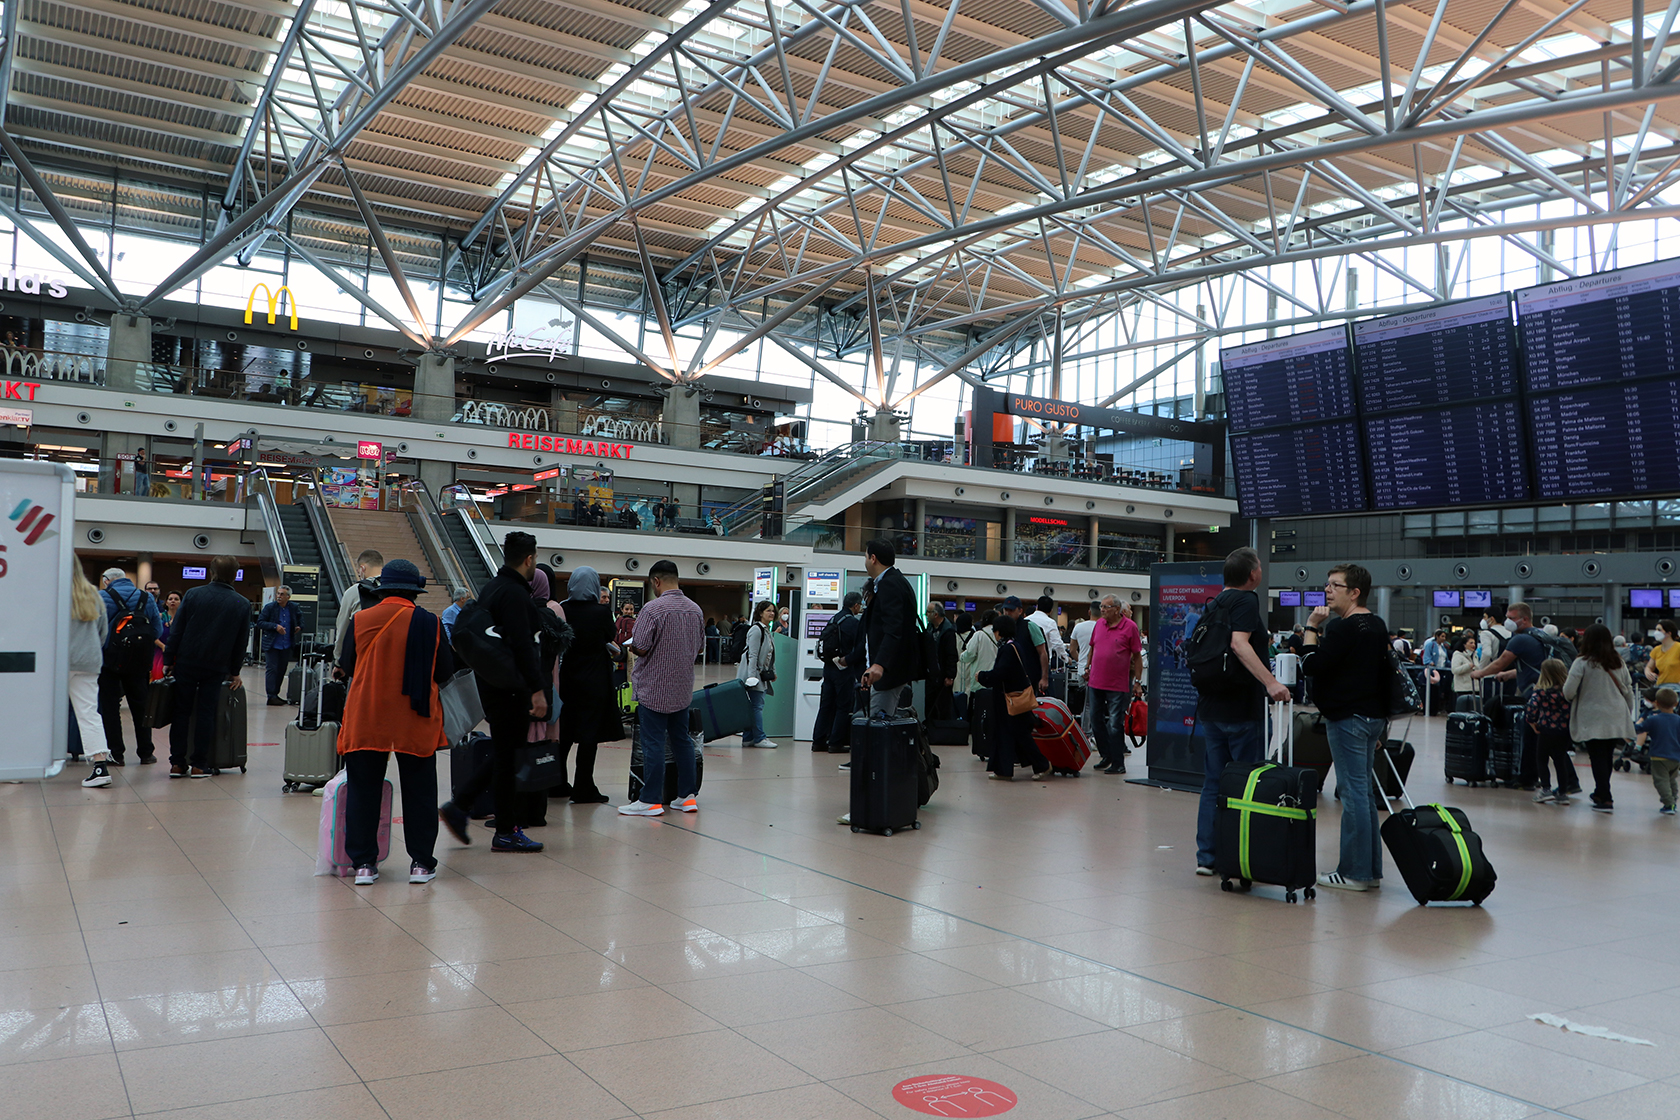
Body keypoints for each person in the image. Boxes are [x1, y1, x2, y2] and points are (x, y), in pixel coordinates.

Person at [335, 560, 454, 885]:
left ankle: (364, 865)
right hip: (414, 718)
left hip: (367, 715)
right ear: (414, 591)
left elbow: (348, 664)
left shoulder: (361, 619)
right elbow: (445, 671)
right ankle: (421, 864)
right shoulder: (430, 623)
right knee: (419, 791)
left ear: (383, 589)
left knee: (363, 790)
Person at [439, 532, 548, 853]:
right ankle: (505, 830)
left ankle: (460, 805)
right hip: (510, 688)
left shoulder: (491, 588)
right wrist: (536, 689)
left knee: (505, 752)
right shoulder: (515, 594)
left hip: (490, 683)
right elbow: (524, 645)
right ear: (529, 559)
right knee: (508, 759)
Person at [1192, 547, 1290, 878]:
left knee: (1213, 782)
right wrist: (1271, 682)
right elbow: (1239, 643)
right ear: (1252, 575)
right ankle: (1239, 854)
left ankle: (1206, 856)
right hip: (1242, 709)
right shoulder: (1246, 600)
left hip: (1211, 707)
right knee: (1247, 783)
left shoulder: (1215, 603)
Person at [1299, 562, 1391, 892]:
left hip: (1348, 719)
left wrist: (1312, 627)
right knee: (1362, 793)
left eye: (1335, 585)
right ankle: (1369, 871)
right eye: (1327, 584)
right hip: (1371, 718)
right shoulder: (1377, 625)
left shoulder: (1342, 628)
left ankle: (1354, 872)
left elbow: (1312, 665)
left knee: (1353, 794)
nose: (1327, 590)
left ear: (1354, 592)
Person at [619, 559, 705, 816]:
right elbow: (700, 647)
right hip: (682, 689)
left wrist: (633, 647)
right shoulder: (695, 610)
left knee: (653, 743)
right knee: (682, 740)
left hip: (654, 688)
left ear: (656, 581)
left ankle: (650, 799)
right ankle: (687, 796)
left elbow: (641, 646)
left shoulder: (652, 609)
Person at [162, 556, 251, 777]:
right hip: (216, 666)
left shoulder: (193, 594)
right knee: (206, 713)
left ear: (212, 572)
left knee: (181, 712)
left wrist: (168, 660)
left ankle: (177, 763)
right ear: (234, 575)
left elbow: (177, 630)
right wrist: (235, 671)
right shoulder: (241, 603)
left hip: (187, 662)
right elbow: (241, 642)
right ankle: (199, 764)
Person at [1471, 602, 1548, 786]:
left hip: (1533, 693)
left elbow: (1501, 662)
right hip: (1546, 690)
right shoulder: (1540, 636)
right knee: (1544, 738)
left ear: (1525, 619)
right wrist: (1508, 675)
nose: (1508, 622)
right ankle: (1568, 780)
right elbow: (1532, 667)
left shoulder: (1520, 639)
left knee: (1530, 737)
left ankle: (1528, 779)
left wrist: (1480, 673)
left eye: (1512, 618)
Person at [556, 567, 615, 803]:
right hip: (594, 679)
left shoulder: (563, 609)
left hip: (568, 677)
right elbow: (610, 635)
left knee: (565, 732)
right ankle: (584, 786)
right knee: (589, 735)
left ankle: (556, 781)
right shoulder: (601, 612)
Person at [1564, 624, 1636, 814]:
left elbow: (1568, 691)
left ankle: (1605, 796)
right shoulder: (1618, 661)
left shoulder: (1581, 662)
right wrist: (1627, 712)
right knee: (1606, 756)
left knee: (1597, 757)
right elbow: (1628, 689)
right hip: (1616, 713)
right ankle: (1600, 792)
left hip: (1592, 715)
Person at [97, 567, 162, 766]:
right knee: (141, 706)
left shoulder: (101, 597)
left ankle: (116, 753)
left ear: (107, 580)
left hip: (110, 661)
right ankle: (146, 753)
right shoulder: (146, 597)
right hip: (139, 661)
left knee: (110, 707)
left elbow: (96, 630)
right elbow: (157, 630)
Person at [977, 614, 1050, 781]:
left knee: (1016, 735)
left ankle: (1041, 765)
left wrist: (982, 676)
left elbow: (1001, 673)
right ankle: (1004, 770)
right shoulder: (1015, 646)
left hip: (1010, 699)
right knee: (1011, 734)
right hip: (1014, 697)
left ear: (999, 631)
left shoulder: (1007, 649)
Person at [859, 538, 918, 717]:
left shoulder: (889, 584)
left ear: (873, 559)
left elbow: (893, 628)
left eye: (866, 557)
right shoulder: (897, 581)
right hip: (894, 670)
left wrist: (879, 664)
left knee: (879, 722)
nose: (865, 562)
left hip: (889, 673)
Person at [69, 559, 114, 789]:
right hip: (88, 660)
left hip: (56, 661)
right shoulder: (94, 595)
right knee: (89, 714)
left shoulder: (51, 593)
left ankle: (22, 765)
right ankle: (100, 767)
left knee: (33, 711)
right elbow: (103, 633)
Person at [1087, 595, 1143, 775]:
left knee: (1115, 724)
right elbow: (1093, 647)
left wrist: (1138, 681)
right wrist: (1087, 666)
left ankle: (1118, 763)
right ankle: (1106, 755)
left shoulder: (1130, 627)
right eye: (1101, 607)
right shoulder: (1099, 625)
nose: (1102, 610)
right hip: (1096, 681)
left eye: (1106, 607)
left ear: (1117, 609)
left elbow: (1137, 656)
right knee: (1095, 720)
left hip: (1117, 684)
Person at [812, 591, 863, 754]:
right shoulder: (853, 623)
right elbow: (860, 648)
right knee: (843, 706)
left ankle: (818, 741)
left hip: (828, 668)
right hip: (844, 669)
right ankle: (835, 743)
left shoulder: (833, 619)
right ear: (856, 605)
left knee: (825, 706)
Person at [1525, 659, 1575, 806]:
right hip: (1564, 731)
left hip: (1546, 729)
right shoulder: (1567, 692)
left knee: (1542, 759)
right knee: (1560, 761)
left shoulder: (1541, 691)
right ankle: (1563, 793)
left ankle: (1546, 789)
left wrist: (1532, 723)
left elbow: (1531, 708)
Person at [737, 600, 780, 748]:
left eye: (773, 611)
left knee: (752, 707)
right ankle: (760, 738)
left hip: (760, 674)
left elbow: (769, 654)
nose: (771, 613)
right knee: (757, 706)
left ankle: (748, 738)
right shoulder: (756, 630)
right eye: (768, 610)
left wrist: (772, 671)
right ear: (760, 613)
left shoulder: (766, 630)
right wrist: (751, 677)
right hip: (754, 675)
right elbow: (753, 655)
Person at [1636, 688, 1680, 816]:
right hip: (1676, 757)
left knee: (1661, 780)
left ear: (1657, 703)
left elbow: (1639, 729)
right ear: (1676, 703)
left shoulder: (1653, 719)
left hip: (1659, 756)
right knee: (1671, 780)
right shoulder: (1678, 720)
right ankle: (1673, 800)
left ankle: (1668, 803)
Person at [334, 549, 384, 662]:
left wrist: (338, 660)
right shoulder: (394, 590)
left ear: (362, 568)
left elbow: (343, 629)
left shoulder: (354, 591)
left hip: (362, 657)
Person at [258, 585, 303, 706]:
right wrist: (275, 626)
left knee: (281, 669)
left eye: (282, 594)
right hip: (272, 644)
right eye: (278, 593)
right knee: (272, 669)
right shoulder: (270, 607)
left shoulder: (293, 607)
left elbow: (301, 619)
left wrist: (299, 626)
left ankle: (275, 694)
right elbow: (260, 622)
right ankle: (271, 695)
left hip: (286, 644)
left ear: (288, 597)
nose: (279, 596)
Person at [999, 597, 1048, 694]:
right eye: (1005, 610)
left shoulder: (1029, 626)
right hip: (1008, 680)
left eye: (1011, 610)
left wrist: (1044, 678)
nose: (1008, 613)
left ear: (1020, 611)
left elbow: (1042, 652)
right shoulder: (1003, 629)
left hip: (1029, 678)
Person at [957, 609, 1000, 712]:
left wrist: (961, 656)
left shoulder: (979, 634)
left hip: (979, 680)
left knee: (977, 711)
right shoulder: (1000, 634)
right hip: (996, 679)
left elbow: (970, 653)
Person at [926, 602, 958, 720]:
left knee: (943, 706)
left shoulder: (948, 631)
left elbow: (951, 655)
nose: (926, 615)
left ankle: (943, 728)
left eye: (928, 612)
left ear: (936, 614)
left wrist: (950, 675)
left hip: (943, 674)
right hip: (931, 674)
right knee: (930, 705)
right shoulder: (930, 628)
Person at [1026, 595, 1069, 668]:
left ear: (1037, 607)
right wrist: (1066, 659)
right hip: (1042, 662)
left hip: (1025, 660)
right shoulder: (1050, 623)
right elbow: (1057, 643)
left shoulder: (1026, 620)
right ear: (1051, 611)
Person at [1644, 619, 1680, 695]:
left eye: (1659, 630)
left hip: (1676, 688)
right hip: (1660, 686)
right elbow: (1649, 667)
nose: (1656, 632)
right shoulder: (1656, 650)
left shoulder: (1678, 648)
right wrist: (1648, 672)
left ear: (1669, 633)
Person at [153, 589, 181, 681]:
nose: (173, 601)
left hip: (179, 653)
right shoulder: (159, 617)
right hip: (161, 651)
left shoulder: (184, 618)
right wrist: (163, 646)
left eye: (176, 599)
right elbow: (153, 635)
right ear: (166, 602)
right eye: (170, 599)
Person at [1450, 632, 1480, 701]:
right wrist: (1468, 666)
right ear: (1464, 644)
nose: (1473, 645)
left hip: (1475, 688)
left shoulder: (1475, 655)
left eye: (1474, 643)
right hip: (1463, 688)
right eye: (1471, 643)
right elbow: (1455, 670)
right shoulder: (1458, 654)